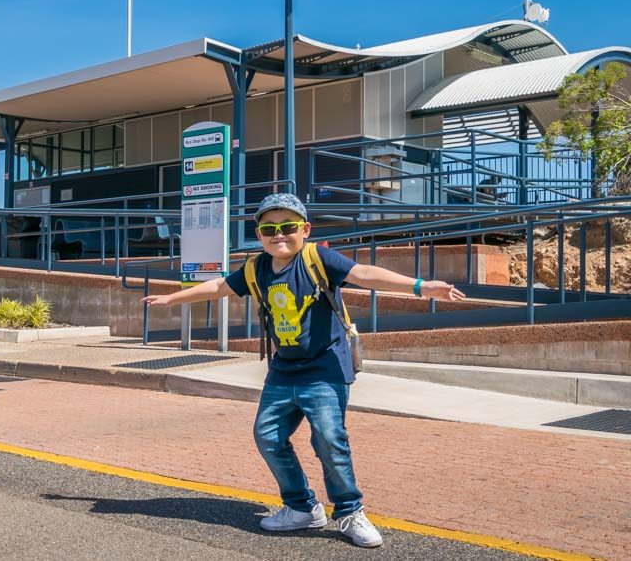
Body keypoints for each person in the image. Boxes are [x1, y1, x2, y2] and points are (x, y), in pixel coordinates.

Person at [143, 192, 465, 548]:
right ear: (259, 234)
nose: (278, 235)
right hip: (284, 369)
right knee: (268, 436)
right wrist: (173, 298)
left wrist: (421, 287)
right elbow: (220, 286)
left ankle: (349, 512)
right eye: (269, 229)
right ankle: (302, 508)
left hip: (326, 365)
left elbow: (364, 274)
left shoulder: (317, 259)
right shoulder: (256, 268)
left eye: (287, 227)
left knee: (329, 439)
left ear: (305, 230)